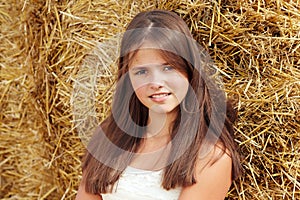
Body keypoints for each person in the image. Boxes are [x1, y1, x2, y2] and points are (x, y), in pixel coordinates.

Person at [76, 9, 242, 200]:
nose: (155, 83)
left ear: (189, 70)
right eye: (141, 72)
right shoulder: (107, 138)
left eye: (167, 68)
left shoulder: (210, 155)